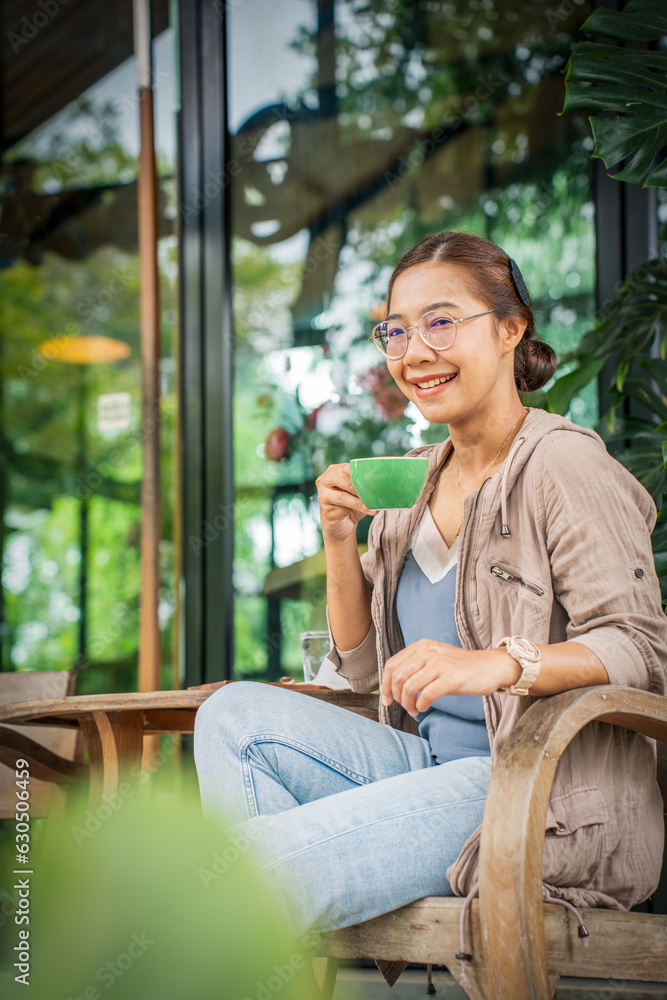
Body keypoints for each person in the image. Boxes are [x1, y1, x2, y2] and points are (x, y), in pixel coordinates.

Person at [194, 231, 667, 987]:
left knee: (245, 873)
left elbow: (639, 649)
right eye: (395, 330)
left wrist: (495, 664)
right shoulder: (411, 483)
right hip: (422, 768)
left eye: (441, 322)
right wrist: (339, 539)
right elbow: (363, 673)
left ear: (511, 329)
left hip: (530, 785)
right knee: (230, 717)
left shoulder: (561, 464)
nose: (414, 351)